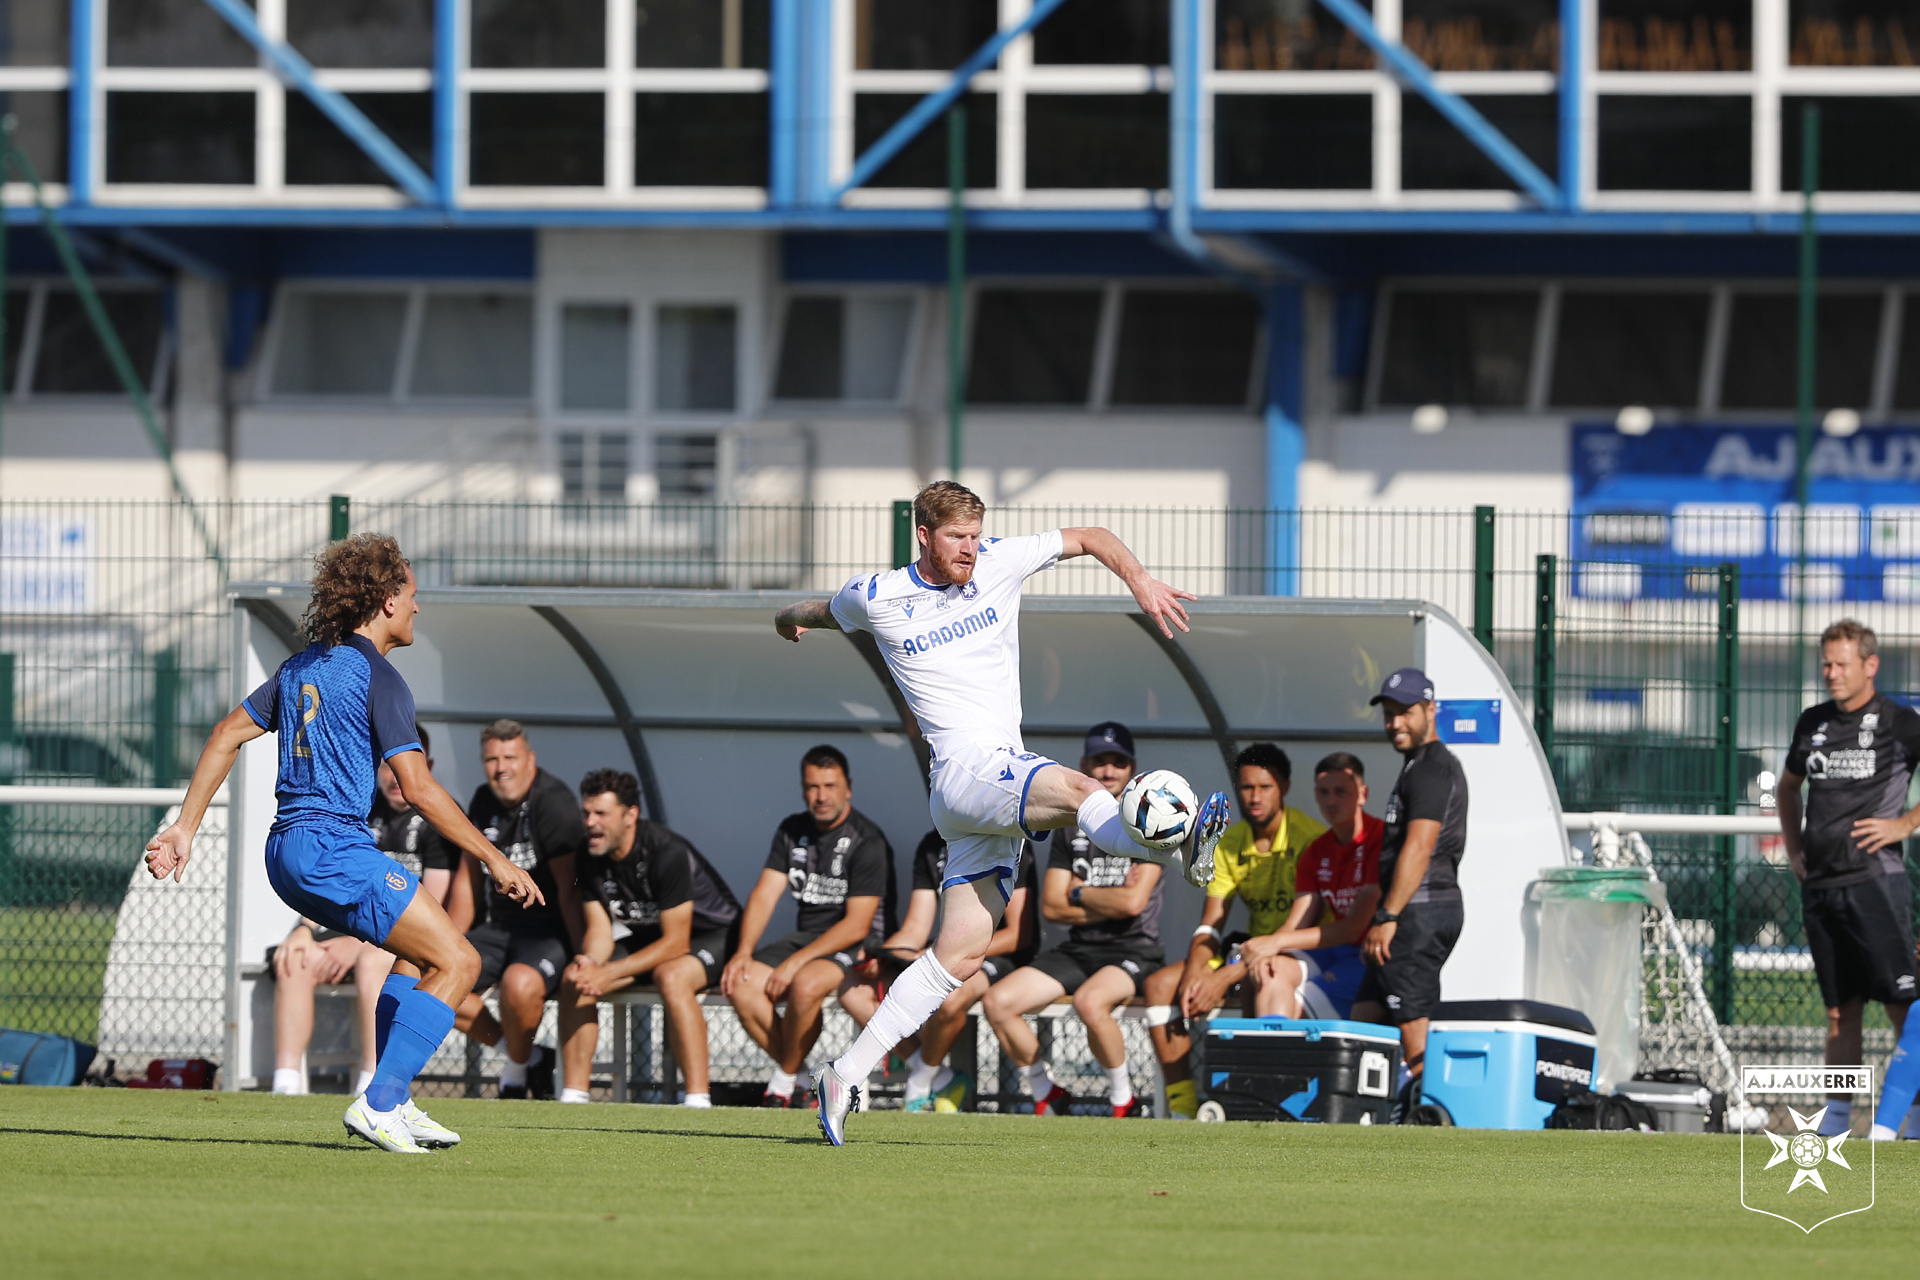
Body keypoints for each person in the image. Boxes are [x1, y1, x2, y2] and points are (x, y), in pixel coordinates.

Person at [776, 482, 1230, 1145]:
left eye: (975, 535)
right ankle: (1183, 842)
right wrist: (785, 616)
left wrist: (1139, 580)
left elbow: (1092, 536)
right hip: (966, 773)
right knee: (1079, 791)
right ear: (923, 536)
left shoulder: (998, 559)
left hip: (980, 797)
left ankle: (843, 1075)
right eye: (957, 538)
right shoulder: (877, 595)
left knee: (959, 956)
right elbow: (821, 609)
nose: (970, 549)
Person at [144, 533, 543, 1153]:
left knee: (416, 956)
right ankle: (380, 1101)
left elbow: (226, 733)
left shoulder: (301, 665)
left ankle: (399, 1100)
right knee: (460, 962)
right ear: (386, 601)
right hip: (334, 848)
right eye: (412, 595)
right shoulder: (380, 678)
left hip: (287, 852)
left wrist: (184, 828)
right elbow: (418, 789)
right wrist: (494, 858)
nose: (418, 608)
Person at [1770, 620, 1920, 1141]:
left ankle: (1914, 1122)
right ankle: (1835, 1126)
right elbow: (1788, 788)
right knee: (1839, 1012)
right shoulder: (1812, 722)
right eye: (1826, 664)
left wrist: (1905, 823)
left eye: (1841, 664)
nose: (1831, 674)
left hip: (1876, 883)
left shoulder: (1900, 722)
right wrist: (1793, 847)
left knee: (1904, 1008)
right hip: (1822, 888)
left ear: (1870, 665)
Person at [981, 722, 1165, 1118]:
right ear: (1084, 765)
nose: (1108, 770)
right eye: (1100, 762)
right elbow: (1051, 906)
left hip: (1133, 949)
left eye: (1118, 762)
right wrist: (1100, 899)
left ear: (1132, 769)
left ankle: (1123, 1102)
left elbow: (1133, 904)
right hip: (1079, 948)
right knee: (998, 1001)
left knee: (1090, 1001)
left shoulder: (1152, 820)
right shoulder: (1073, 824)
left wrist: (1079, 892)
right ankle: (1047, 1092)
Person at [1143, 741, 1327, 1119]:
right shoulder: (1229, 842)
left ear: (1285, 788)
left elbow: (1292, 935)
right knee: (1162, 985)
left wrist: (1225, 976)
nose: (1254, 797)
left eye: (1265, 787)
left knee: (1266, 970)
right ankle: (1183, 1110)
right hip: (1247, 952)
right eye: (1246, 788)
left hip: (1300, 954)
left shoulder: (1310, 838)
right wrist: (1197, 969)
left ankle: (1266, 1102)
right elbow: (1211, 923)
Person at [271, 727, 459, 1096]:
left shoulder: (436, 818)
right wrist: (303, 930)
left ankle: (371, 1082)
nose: (393, 775)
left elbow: (432, 909)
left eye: (403, 764)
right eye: (386, 764)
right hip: (347, 926)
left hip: (398, 935)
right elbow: (324, 877)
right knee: (295, 957)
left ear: (425, 765)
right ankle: (285, 1083)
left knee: (373, 960)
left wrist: (357, 945)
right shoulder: (359, 806)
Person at [721, 745, 894, 1107]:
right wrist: (742, 951)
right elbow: (764, 895)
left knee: (805, 983)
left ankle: (782, 1084)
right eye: (812, 787)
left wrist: (796, 962)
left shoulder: (868, 840)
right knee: (740, 982)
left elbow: (857, 925)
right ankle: (801, 1077)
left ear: (848, 788)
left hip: (857, 942)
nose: (821, 796)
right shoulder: (791, 829)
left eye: (830, 786)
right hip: (807, 939)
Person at [558, 769, 742, 1107]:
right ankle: (573, 1097)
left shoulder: (664, 850)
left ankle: (698, 1100)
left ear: (630, 815)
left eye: (601, 814)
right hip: (657, 940)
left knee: (671, 976)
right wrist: (592, 963)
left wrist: (610, 972)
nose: (590, 822)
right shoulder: (589, 853)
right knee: (575, 976)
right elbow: (599, 930)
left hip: (714, 937)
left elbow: (676, 943)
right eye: (586, 813)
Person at [451, 720, 589, 1100]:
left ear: (530, 760)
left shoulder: (553, 803)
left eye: (510, 757)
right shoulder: (482, 800)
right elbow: (467, 882)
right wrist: (448, 943)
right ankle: (527, 1058)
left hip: (551, 932)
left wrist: (584, 956)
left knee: (519, 983)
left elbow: (571, 892)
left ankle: (514, 1074)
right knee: (433, 977)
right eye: (491, 759)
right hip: (500, 928)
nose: (501, 768)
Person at [1352, 667, 1468, 1117]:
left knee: (1412, 1022)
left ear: (1430, 710)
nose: (1395, 722)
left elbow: (1419, 849)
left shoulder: (1433, 767)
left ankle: (1431, 1121)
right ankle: (1365, 1115)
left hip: (1418, 912)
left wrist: (1387, 917)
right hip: (1408, 912)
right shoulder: (1418, 766)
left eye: (1406, 712)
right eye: (1389, 714)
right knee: (1365, 1018)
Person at [884, 830, 1040, 1113]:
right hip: (949, 954)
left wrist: (949, 953)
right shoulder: (931, 846)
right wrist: (881, 954)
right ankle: (942, 1079)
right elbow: (915, 929)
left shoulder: (1011, 840)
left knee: (949, 997)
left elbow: (1018, 935)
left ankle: (919, 1088)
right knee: (868, 986)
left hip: (998, 954)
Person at [1238, 753, 1382, 1019]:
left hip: (1369, 956)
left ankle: (1277, 1051)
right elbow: (1298, 921)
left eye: (1341, 791)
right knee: (1271, 970)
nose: (1331, 800)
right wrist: (1270, 948)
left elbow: (1353, 929)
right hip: (1333, 951)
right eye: (1324, 792)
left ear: (1363, 794)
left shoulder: (1381, 840)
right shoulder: (1317, 849)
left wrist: (1275, 941)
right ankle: (1265, 1053)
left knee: (1299, 1004)